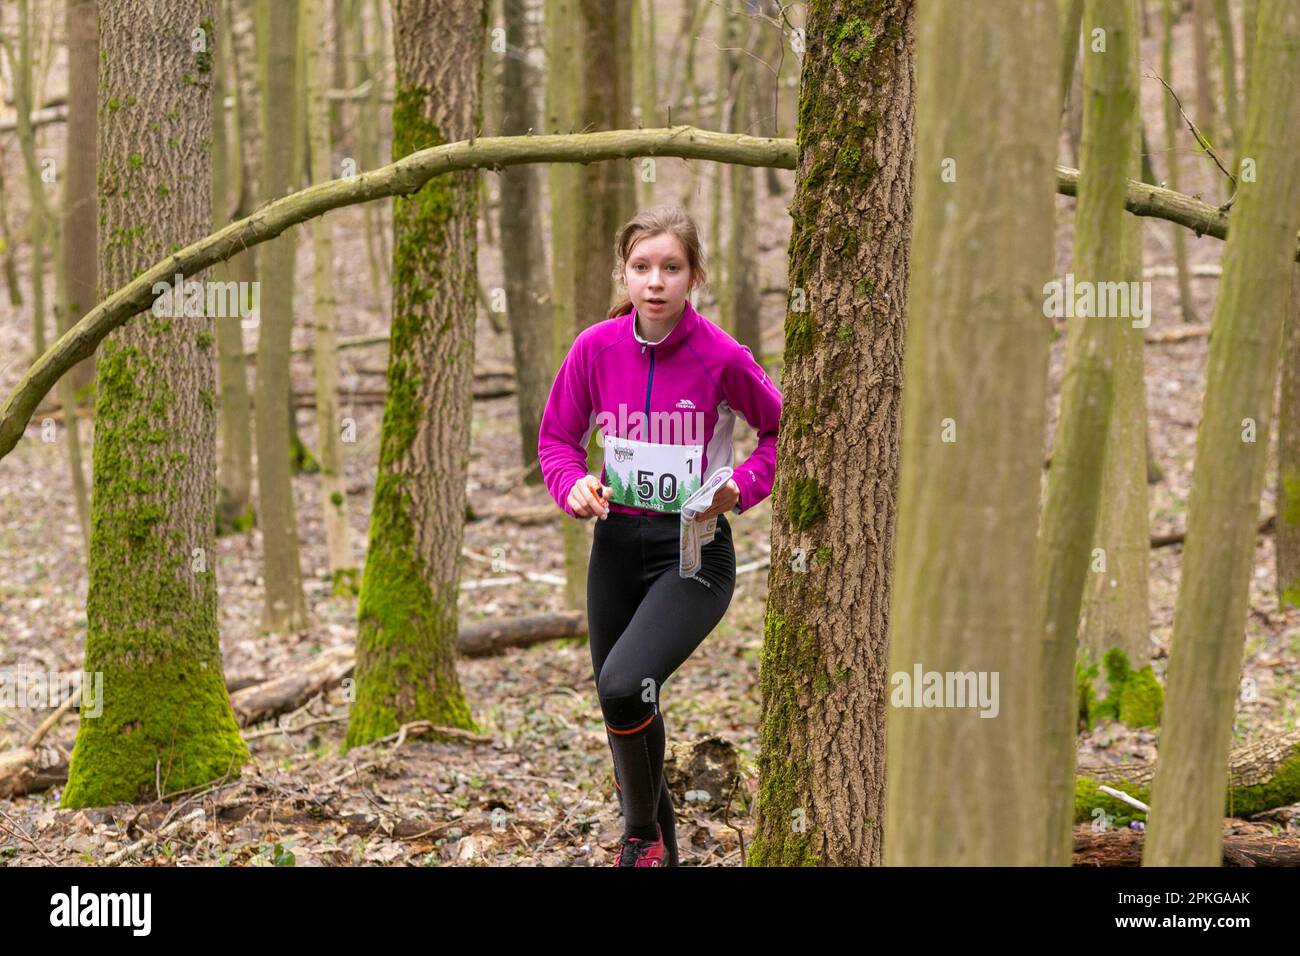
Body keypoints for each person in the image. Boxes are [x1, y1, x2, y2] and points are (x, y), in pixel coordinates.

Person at [537, 205, 783, 866]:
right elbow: (558, 439)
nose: (655, 281)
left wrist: (742, 486)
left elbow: (782, 433)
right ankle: (658, 854)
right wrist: (574, 487)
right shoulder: (595, 348)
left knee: (623, 683)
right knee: (629, 699)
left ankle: (638, 838)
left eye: (670, 267)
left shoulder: (722, 356)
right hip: (616, 546)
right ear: (625, 272)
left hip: (694, 552)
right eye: (642, 267)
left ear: (693, 275)